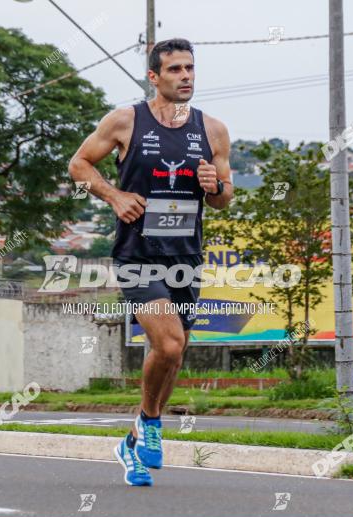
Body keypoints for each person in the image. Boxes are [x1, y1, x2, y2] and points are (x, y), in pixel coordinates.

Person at [68, 39, 233, 486]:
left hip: (186, 256)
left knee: (171, 353)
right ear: (154, 77)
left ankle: (134, 438)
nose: (186, 76)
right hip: (138, 254)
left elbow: (223, 200)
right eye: (175, 69)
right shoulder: (125, 121)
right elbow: (79, 164)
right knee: (171, 343)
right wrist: (115, 195)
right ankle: (153, 423)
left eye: (191, 68)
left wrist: (214, 184)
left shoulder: (213, 130)